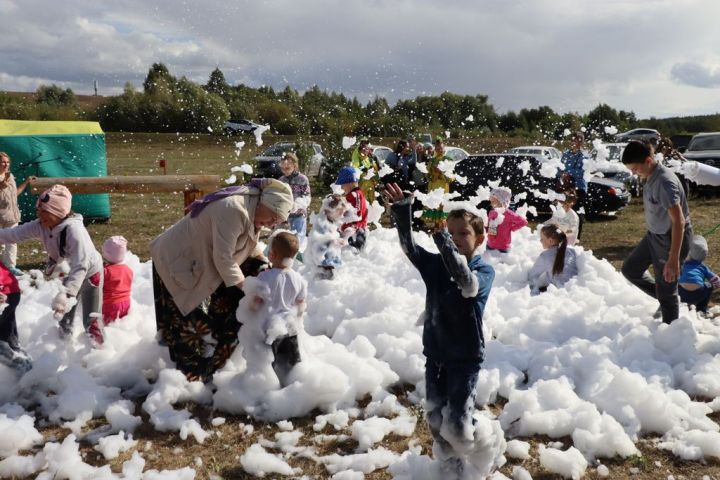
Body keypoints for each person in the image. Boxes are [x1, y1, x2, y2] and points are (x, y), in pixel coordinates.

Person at [384, 182, 495, 476]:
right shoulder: (434, 265)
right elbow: (409, 247)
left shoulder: (483, 271)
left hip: (465, 358)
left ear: (480, 237)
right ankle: (452, 472)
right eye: (451, 231)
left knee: (458, 427)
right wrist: (402, 210)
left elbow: (467, 285)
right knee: (436, 422)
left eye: (463, 233)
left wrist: (443, 239)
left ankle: (489, 439)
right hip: (435, 354)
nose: (456, 239)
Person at [150, 178, 293, 381]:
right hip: (176, 261)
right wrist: (248, 288)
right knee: (191, 325)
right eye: (273, 218)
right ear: (266, 204)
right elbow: (223, 258)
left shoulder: (254, 211)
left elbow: (247, 242)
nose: (272, 224)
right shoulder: (233, 210)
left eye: (277, 222)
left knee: (213, 314)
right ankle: (186, 380)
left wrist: (264, 264)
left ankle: (211, 367)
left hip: (201, 261)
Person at [0, 185, 104, 343]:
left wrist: (67, 294)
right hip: (69, 272)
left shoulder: (74, 231)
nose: (40, 215)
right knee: (64, 318)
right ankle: (64, 348)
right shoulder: (42, 226)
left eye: (45, 211)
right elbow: (15, 234)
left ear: (59, 212)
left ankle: (99, 354)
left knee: (91, 320)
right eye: (38, 211)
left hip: (90, 274)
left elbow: (81, 265)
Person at [620, 141, 693, 324]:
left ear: (648, 160)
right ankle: (666, 297)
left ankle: (670, 341)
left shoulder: (664, 183)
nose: (634, 173)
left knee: (668, 291)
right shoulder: (650, 173)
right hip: (654, 236)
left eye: (636, 168)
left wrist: (673, 258)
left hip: (670, 239)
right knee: (631, 269)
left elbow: (679, 221)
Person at [249, 231, 306, 386]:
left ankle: (273, 386)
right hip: (290, 326)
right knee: (293, 361)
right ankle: (297, 384)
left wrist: (252, 311)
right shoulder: (298, 279)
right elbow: (300, 303)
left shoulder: (264, 277)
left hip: (271, 329)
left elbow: (256, 302)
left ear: (272, 254)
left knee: (272, 363)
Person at [0, 152, 33, 276]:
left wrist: (26, 182)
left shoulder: (11, 176)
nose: (6, 164)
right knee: (1, 244)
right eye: (3, 162)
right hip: (0, 216)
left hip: (12, 216)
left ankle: (10, 267)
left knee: (12, 241)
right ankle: (3, 267)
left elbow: (15, 194)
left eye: (7, 162)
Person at [306, 194, 349, 280]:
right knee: (323, 284)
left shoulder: (330, 221)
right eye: (340, 212)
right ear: (330, 211)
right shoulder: (321, 223)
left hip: (329, 262)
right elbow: (317, 245)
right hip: (322, 265)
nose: (342, 215)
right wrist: (333, 242)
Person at [528, 224, 579, 295]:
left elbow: (532, 275)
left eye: (542, 239)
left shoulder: (545, 256)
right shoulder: (572, 252)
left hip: (559, 293)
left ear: (550, 241)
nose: (540, 241)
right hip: (576, 288)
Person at [0, 260, 30, 373]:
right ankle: (30, 371)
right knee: (7, 336)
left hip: (6, 293)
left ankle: (23, 369)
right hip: (10, 291)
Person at [278, 152, 311, 251]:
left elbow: (307, 196)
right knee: (285, 240)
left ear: (295, 166)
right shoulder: (281, 180)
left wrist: (297, 204)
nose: (285, 171)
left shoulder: (302, 179)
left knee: (297, 239)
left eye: (287, 168)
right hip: (285, 216)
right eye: (282, 168)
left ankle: (297, 257)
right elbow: (279, 197)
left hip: (299, 215)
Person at [678, 235, 719, 314]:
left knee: (676, 283)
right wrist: (715, 286)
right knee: (709, 286)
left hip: (681, 294)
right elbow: (716, 280)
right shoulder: (703, 267)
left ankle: (679, 307)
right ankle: (701, 309)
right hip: (699, 294)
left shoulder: (681, 265)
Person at [101, 236, 134, 334]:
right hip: (126, 302)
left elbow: (97, 285)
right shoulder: (128, 270)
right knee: (120, 328)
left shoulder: (105, 271)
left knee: (108, 330)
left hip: (111, 305)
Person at [560, 132, 587, 240]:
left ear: (582, 142)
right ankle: (565, 235)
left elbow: (583, 172)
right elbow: (560, 168)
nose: (574, 142)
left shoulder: (584, 156)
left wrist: (568, 172)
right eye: (573, 140)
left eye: (578, 140)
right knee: (565, 212)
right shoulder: (566, 154)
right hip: (566, 187)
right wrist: (562, 173)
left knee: (576, 212)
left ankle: (576, 238)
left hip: (579, 188)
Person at [422, 137, 453, 228]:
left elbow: (451, 178)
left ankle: (443, 230)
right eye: (437, 148)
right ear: (435, 149)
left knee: (442, 212)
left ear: (444, 149)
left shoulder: (448, 160)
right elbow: (427, 175)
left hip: (443, 189)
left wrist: (441, 172)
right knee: (435, 209)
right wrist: (433, 174)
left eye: (441, 148)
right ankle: (436, 230)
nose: (439, 150)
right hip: (433, 188)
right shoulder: (432, 161)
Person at [335, 166, 369, 251]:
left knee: (352, 257)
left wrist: (343, 227)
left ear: (350, 182)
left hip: (356, 233)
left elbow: (356, 216)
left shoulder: (355, 195)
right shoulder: (353, 195)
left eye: (343, 184)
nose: (342, 188)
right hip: (351, 232)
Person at [486, 187, 527, 252]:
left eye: (493, 201)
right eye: (491, 201)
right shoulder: (492, 212)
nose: (491, 203)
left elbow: (523, 222)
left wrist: (512, 228)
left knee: (504, 261)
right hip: (490, 245)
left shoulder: (509, 214)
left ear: (501, 200)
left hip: (503, 246)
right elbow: (489, 226)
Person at [351, 137, 380, 203]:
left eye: (366, 149)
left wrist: (376, 179)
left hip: (371, 185)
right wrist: (364, 170)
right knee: (363, 201)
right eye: (363, 149)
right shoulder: (357, 155)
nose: (365, 150)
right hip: (362, 185)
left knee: (372, 202)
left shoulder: (370, 158)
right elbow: (355, 168)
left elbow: (376, 171)